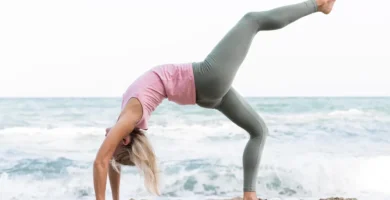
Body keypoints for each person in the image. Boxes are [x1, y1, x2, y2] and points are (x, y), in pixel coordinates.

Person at [93, 0, 336, 199]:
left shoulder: (127, 118)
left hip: (205, 94)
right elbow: (102, 162)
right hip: (206, 78)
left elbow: (110, 162)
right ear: (124, 138)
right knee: (251, 20)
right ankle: (319, 4)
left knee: (259, 130)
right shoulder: (129, 118)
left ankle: (249, 195)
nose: (105, 139)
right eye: (111, 141)